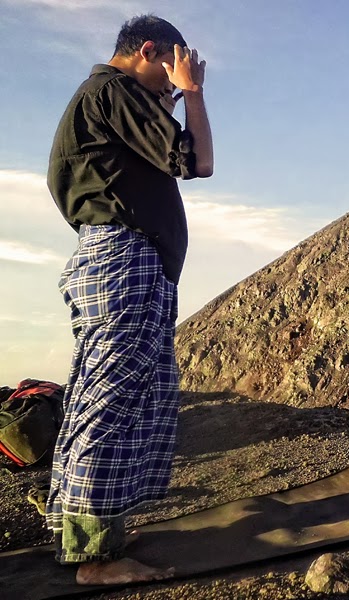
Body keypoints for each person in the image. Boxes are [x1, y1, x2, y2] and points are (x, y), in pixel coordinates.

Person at [45, 15, 213, 585]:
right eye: (165, 78)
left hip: (114, 259)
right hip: (125, 259)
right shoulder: (113, 91)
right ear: (149, 51)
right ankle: (96, 559)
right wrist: (192, 94)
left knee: (107, 394)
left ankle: (91, 533)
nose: (167, 94)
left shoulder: (101, 103)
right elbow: (197, 162)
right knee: (112, 400)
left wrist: (170, 97)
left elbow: (152, 156)